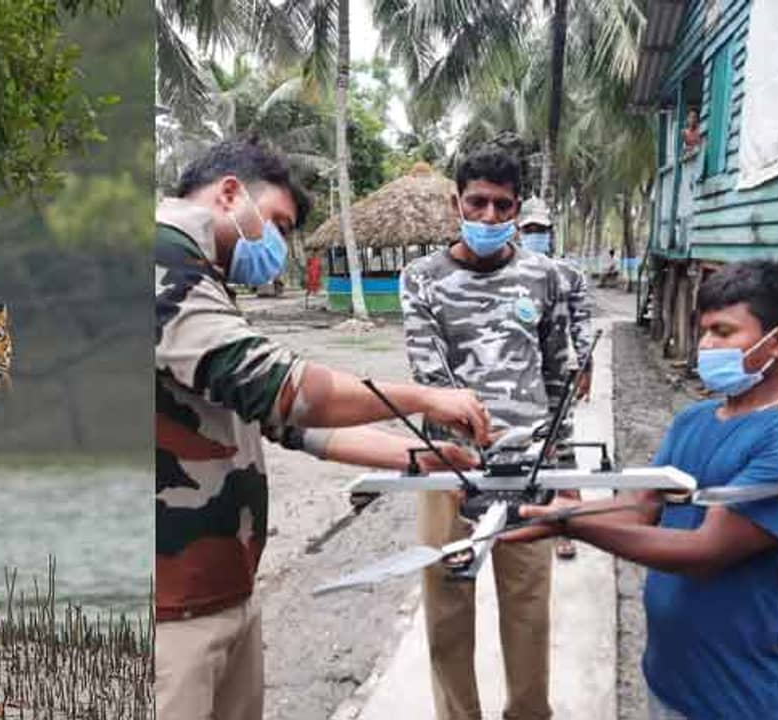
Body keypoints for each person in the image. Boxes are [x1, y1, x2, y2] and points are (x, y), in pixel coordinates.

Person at [155, 136, 490, 720]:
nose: (280, 246)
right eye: (278, 224)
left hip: (219, 591)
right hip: (165, 611)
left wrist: (419, 458)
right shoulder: (157, 262)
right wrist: (427, 398)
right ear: (230, 193)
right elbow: (287, 391)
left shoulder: (205, 279)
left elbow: (287, 426)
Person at [505, 260, 778, 719]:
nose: (706, 345)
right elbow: (639, 505)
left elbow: (705, 551)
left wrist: (569, 523)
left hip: (741, 697)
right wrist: (544, 510)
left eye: (723, 332)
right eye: (704, 330)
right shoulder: (694, 420)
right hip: (668, 679)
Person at [401, 147, 574, 720]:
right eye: (477, 201)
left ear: (517, 210)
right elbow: (430, 375)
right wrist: (467, 453)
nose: (489, 214)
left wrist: (565, 474)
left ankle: (529, 713)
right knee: (447, 606)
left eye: (502, 205)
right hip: (450, 467)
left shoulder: (546, 277)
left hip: (529, 471)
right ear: (457, 202)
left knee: (529, 608)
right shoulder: (421, 279)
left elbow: (558, 379)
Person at [518, 196, 592, 560]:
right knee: (522, 447)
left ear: (551, 234)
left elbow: (581, 323)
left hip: (557, 374)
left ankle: (566, 524)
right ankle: (526, 517)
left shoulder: (570, 274)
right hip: (517, 377)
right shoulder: (506, 274)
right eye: (529, 230)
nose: (535, 236)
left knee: (562, 446)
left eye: (541, 231)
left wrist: (585, 367)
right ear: (519, 232)